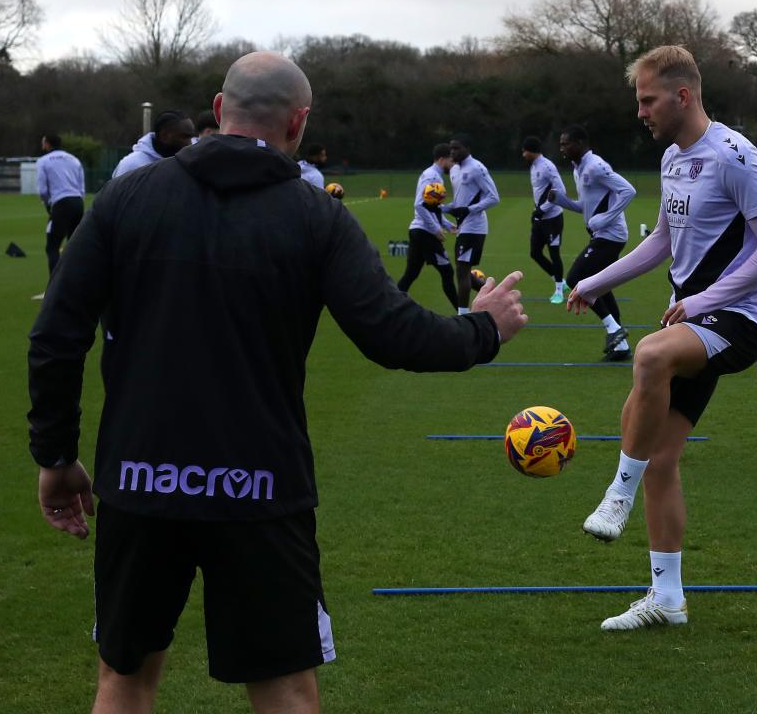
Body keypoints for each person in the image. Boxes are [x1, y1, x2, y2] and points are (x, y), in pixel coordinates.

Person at [28, 51, 527, 713]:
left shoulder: (128, 197)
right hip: (259, 488)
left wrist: (57, 457)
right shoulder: (314, 214)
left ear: (217, 110)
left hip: (141, 484)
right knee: (286, 688)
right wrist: (484, 328)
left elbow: (56, 335)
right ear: (299, 122)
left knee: (124, 680)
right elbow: (394, 334)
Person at [566, 45, 757, 631]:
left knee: (648, 354)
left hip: (740, 318)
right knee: (660, 456)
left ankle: (617, 493)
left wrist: (703, 300)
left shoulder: (735, 155)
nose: (640, 111)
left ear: (682, 95)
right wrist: (593, 282)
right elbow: (662, 241)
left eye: (647, 99)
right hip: (696, 318)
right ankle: (667, 599)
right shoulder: (672, 158)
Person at [548, 126, 636, 360]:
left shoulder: (596, 166)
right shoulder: (579, 169)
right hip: (600, 235)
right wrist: (560, 200)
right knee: (601, 287)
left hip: (612, 236)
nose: (562, 148)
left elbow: (628, 190)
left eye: (566, 143)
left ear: (580, 143)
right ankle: (621, 348)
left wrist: (606, 218)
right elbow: (584, 207)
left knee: (576, 279)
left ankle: (614, 329)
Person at [396, 143, 459, 311]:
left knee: (411, 273)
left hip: (419, 231)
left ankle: (389, 306)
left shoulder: (432, 175)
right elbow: (419, 205)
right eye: (451, 161)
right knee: (447, 272)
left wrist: (447, 224)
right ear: (442, 159)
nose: (452, 165)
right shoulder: (432, 176)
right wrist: (436, 229)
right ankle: (464, 313)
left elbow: (432, 207)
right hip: (424, 233)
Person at [445, 136, 500, 314]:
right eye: (451, 149)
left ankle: (463, 314)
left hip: (475, 227)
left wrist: (469, 210)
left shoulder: (477, 168)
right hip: (463, 226)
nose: (452, 152)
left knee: (462, 270)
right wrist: (442, 208)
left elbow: (493, 197)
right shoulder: (454, 170)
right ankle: (494, 294)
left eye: (457, 148)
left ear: (467, 148)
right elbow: (460, 201)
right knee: (463, 271)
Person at [521, 137, 568, 304]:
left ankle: (558, 291)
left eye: (525, 151)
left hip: (553, 219)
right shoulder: (533, 166)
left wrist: (544, 208)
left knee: (554, 253)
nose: (523, 154)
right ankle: (561, 281)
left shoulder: (547, 166)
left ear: (531, 151)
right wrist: (538, 211)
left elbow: (561, 190)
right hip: (539, 218)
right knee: (535, 253)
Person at [36, 135, 87, 281]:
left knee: (52, 247)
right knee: (74, 246)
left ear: (46, 144)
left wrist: (47, 204)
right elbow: (81, 186)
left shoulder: (43, 161)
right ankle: (78, 281)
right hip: (78, 202)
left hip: (61, 203)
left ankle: (55, 286)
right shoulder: (73, 159)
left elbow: (43, 189)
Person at [111, 111, 195, 179]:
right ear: (164, 136)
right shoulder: (131, 165)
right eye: (184, 137)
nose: (190, 143)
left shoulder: (188, 164)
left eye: (191, 137)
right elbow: (116, 198)